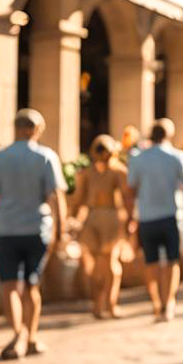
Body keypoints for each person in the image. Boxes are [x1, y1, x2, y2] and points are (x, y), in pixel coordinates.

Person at [0, 109, 67, 359]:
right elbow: (55, 196)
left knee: (9, 286)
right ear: (37, 130)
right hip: (37, 228)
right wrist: (60, 229)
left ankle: (17, 333)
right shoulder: (45, 156)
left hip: (6, 228)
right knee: (32, 285)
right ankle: (31, 336)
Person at [127, 117, 183, 322]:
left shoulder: (138, 158)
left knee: (151, 263)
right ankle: (168, 303)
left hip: (146, 218)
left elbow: (130, 191)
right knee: (171, 262)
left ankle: (156, 304)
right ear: (169, 135)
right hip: (171, 217)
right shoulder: (178, 157)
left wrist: (129, 218)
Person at [72, 135, 135, 319]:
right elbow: (79, 199)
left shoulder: (115, 172)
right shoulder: (92, 173)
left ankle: (107, 304)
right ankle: (102, 305)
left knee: (105, 264)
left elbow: (126, 196)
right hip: (100, 219)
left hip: (105, 219)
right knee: (101, 266)